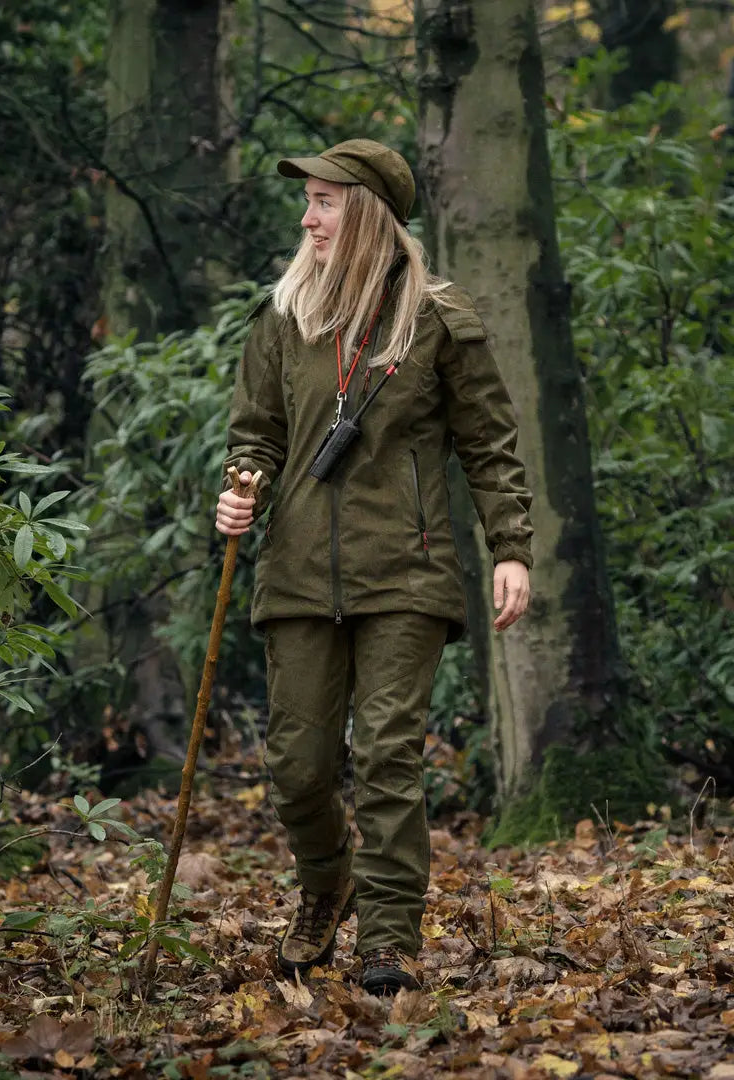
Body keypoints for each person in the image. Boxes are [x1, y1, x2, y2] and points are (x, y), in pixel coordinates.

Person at [215, 138, 533, 995]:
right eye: (308, 200)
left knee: (389, 753)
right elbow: (257, 432)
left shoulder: (435, 317)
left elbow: (489, 443)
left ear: (368, 214)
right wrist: (241, 486)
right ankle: (328, 883)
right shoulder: (283, 317)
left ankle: (388, 940)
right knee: (298, 766)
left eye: (326, 200)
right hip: (297, 573)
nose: (309, 217)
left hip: (408, 569)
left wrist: (510, 548)